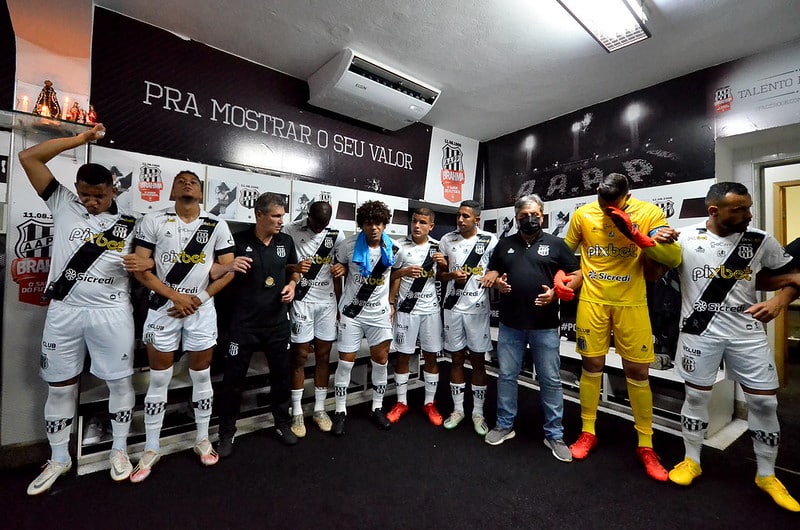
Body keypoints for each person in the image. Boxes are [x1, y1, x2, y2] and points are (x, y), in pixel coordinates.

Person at [19, 124, 150, 494]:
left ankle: (120, 450)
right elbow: (28, 157)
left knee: (119, 382)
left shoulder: (132, 222)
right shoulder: (62, 202)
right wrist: (79, 141)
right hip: (65, 310)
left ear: (114, 190)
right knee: (59, 388)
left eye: (99, 195)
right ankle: (59, 458)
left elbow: (151, 266)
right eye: (86, 194)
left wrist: (144, 267)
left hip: (111, 312)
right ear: (76, 190)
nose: (91, 201)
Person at [668, 182, 800, 512]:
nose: (748, 214)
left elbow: (794, 277)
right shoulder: (684, 237)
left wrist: (779, 303)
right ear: (714, 211)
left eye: (748, 207)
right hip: (699, 331)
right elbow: (654, 271)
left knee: (764, 404)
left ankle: (766, 474)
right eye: (739, 209)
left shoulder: (759, 239)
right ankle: (691, 460)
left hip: (747, 333)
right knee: (697, 396)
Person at [564, 172, 681, 481]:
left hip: (632, 302)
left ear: (626, 197)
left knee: (639, 372)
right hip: (593, 300)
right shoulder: (583, 214)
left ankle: (645, 443)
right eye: (601, 202)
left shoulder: (649, 212)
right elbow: (565, 254)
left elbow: (673, 257)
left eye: (611, 204)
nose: (604, 208)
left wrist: (640, 235)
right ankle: (588, 430)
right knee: (591, 366)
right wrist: (562, 278)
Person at [129, 170, 236, 482]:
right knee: (159, 380)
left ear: (202, 194)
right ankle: (151, 446)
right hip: (163, 309)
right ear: (172, 190)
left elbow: (227, 270)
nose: (188, 183)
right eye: (181, 180)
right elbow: (140, 268)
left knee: (201, 376)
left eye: (194, 181)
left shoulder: (216, 224)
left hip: (201, 311)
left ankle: (202, 438)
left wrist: (199, 299)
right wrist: (176, 297)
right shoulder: (153, 219)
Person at [481, 195, 582, 462]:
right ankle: (504, 425)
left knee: (550, 380)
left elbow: (577, 275)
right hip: (511, 324)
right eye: (524, 215)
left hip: (545, 326)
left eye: (535, 213)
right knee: (506, 376)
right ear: (517, 218)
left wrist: (558, 293)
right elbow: (493, 272)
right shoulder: (504, 244)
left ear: (543, 214)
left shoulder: (557, 244)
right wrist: (498, 284)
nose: (530, 218)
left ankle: (554, 434)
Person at [215, 192, 300, 455]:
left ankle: (282, 424)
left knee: (281, 377)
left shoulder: (285, 240)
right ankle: (227, 432)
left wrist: (293, 284)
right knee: (232, 381)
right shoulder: (238, 241)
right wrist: (229, 268)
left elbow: (293, 269)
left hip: (277, 324)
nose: (280, 221)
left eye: (282, 216)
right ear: (259, 215)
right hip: (243, 325)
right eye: (275, 216)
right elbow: (214, 271)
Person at [331, 200, 398, 435]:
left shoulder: (393, 249)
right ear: (362, 225)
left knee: (381, 361)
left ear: (384, 224)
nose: (374, 228)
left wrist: (391, 301)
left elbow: (397, 274)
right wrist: (339, 304)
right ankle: (340, 411)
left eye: (378, 223)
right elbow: (337, 272)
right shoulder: (348, 246)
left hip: (378, 314)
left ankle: (377, 407)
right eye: (369, 223)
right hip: (351, 312)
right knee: (345, 362)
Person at [283, 201, 345, 437]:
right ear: (308, 215)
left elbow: (340, 270)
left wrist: (342, 272)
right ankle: (297, 410)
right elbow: (281, 264)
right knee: (299, 356)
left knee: (323, 355)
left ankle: (319, 409)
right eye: (317, 223)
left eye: (324, 224)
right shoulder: (290, 229)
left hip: (327, 303)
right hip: (302, 300)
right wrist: (295, 266)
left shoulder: (335, 235)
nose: (320, 228)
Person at [439, 200, 498, 436]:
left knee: (477, 361)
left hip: (477, 309)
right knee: (455, 359)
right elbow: (440, 276)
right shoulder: (447, 240)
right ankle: (458, 410)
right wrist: (451, 274)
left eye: (465, 216)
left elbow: (499, 269)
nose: (460, 220)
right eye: (458, 216)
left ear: (477, 219)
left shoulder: (490, 240)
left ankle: (478, 412)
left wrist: (493, 274)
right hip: (452, 307)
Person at [385, 208, 447, 426]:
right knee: (402, 356)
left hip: (430, 310)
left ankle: (429, 403)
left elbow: (446, 275)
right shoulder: (399, 246)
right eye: (414, 221)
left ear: (431, 226)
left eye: (422, 222)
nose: (417, 226)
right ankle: (401, 402)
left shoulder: (438, 247)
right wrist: (402, 275)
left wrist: (445, 264)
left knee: (430, 357)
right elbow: (388, 275)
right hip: (406, 310)